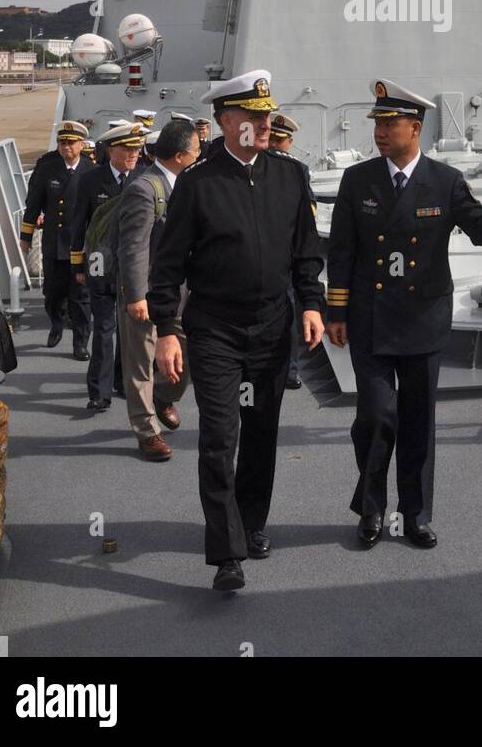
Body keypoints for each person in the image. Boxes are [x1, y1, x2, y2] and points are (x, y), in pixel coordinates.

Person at [326, 78, 482, 549]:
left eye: (391, 123)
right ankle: (372, 507)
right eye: (378, 124)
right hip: (371, 319)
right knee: (376, 416)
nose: (381, 132)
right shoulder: (357, 180)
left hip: (422, 319)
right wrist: (336, 312)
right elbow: (341, 249)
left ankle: (415, 513)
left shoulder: (444, 181)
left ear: (415, 127)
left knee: (419, 421)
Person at [148, 69, 325, 592]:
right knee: (220, 437)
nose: (264, 123)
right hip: (216, 329)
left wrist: (311, 305)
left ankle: (252, 523)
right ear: (227, 122)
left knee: (262, 432)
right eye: (253, 116)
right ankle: (227, 553)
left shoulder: (290, 176)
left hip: (273, 327)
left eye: (267, 115)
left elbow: (306, 253)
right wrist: (166, 330)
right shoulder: (198, 184)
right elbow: (167, 266)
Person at [116, 120, 200, 460]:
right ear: (180, 156)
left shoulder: (188, 185)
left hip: (179, 293)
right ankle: (147, 431)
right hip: (145, 293)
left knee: (188, 356)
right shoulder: (144, 189)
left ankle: (164, 396)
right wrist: (136, 295)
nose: (199, 156)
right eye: (196, 151)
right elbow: (133, 247)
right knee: (140, 364)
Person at [70, 122, 144, 408]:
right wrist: (78, 266)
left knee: (130, 331)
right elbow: (77, 224)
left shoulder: (144, 177)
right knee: (103, 328)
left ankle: (121, 381)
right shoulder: (90, 180)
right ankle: (99, 393)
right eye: (128, 148)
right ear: (111, 149)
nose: (134, 153)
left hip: (133, 267)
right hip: (100, 264)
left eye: (137, 148)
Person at [19, 121, 92, 351]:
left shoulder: (91, 171)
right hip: (54, 242)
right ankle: (57, 324)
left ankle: (80, 343)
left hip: (80, 244)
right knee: (52, 293)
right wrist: (26, 236)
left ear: (81, 145)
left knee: (81, 297)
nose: (65, 146)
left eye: (70, 142)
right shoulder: (47, 169)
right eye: (62, 142)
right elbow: (33, 204)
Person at [268, 112, 311, 391]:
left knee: (291, 316)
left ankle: (290, 370)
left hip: (286, 252)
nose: (274, 144)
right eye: (271, 137)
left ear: (290, 142)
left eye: (279, 140)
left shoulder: (298, 170)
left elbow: (307, 211)